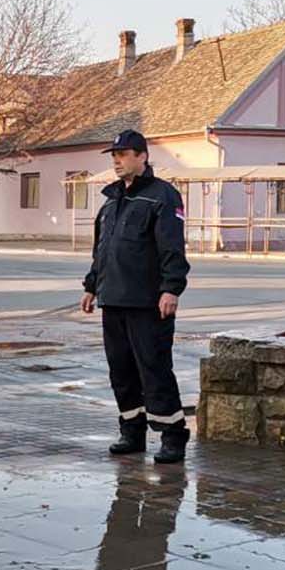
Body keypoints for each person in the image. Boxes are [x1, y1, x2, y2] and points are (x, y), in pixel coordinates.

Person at [80, 129, 192, 464]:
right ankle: (132, 431)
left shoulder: (162, 196)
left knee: (154, 369)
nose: (117, 161)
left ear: (142, 156)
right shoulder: (111, 201)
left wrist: (171, 288)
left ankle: (172, 436)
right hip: (112, 299)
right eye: (114, 155)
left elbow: (172, 247)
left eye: (123, 154)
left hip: (148, 303)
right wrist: (91, 285)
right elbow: (102, 250)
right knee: (121, 371)